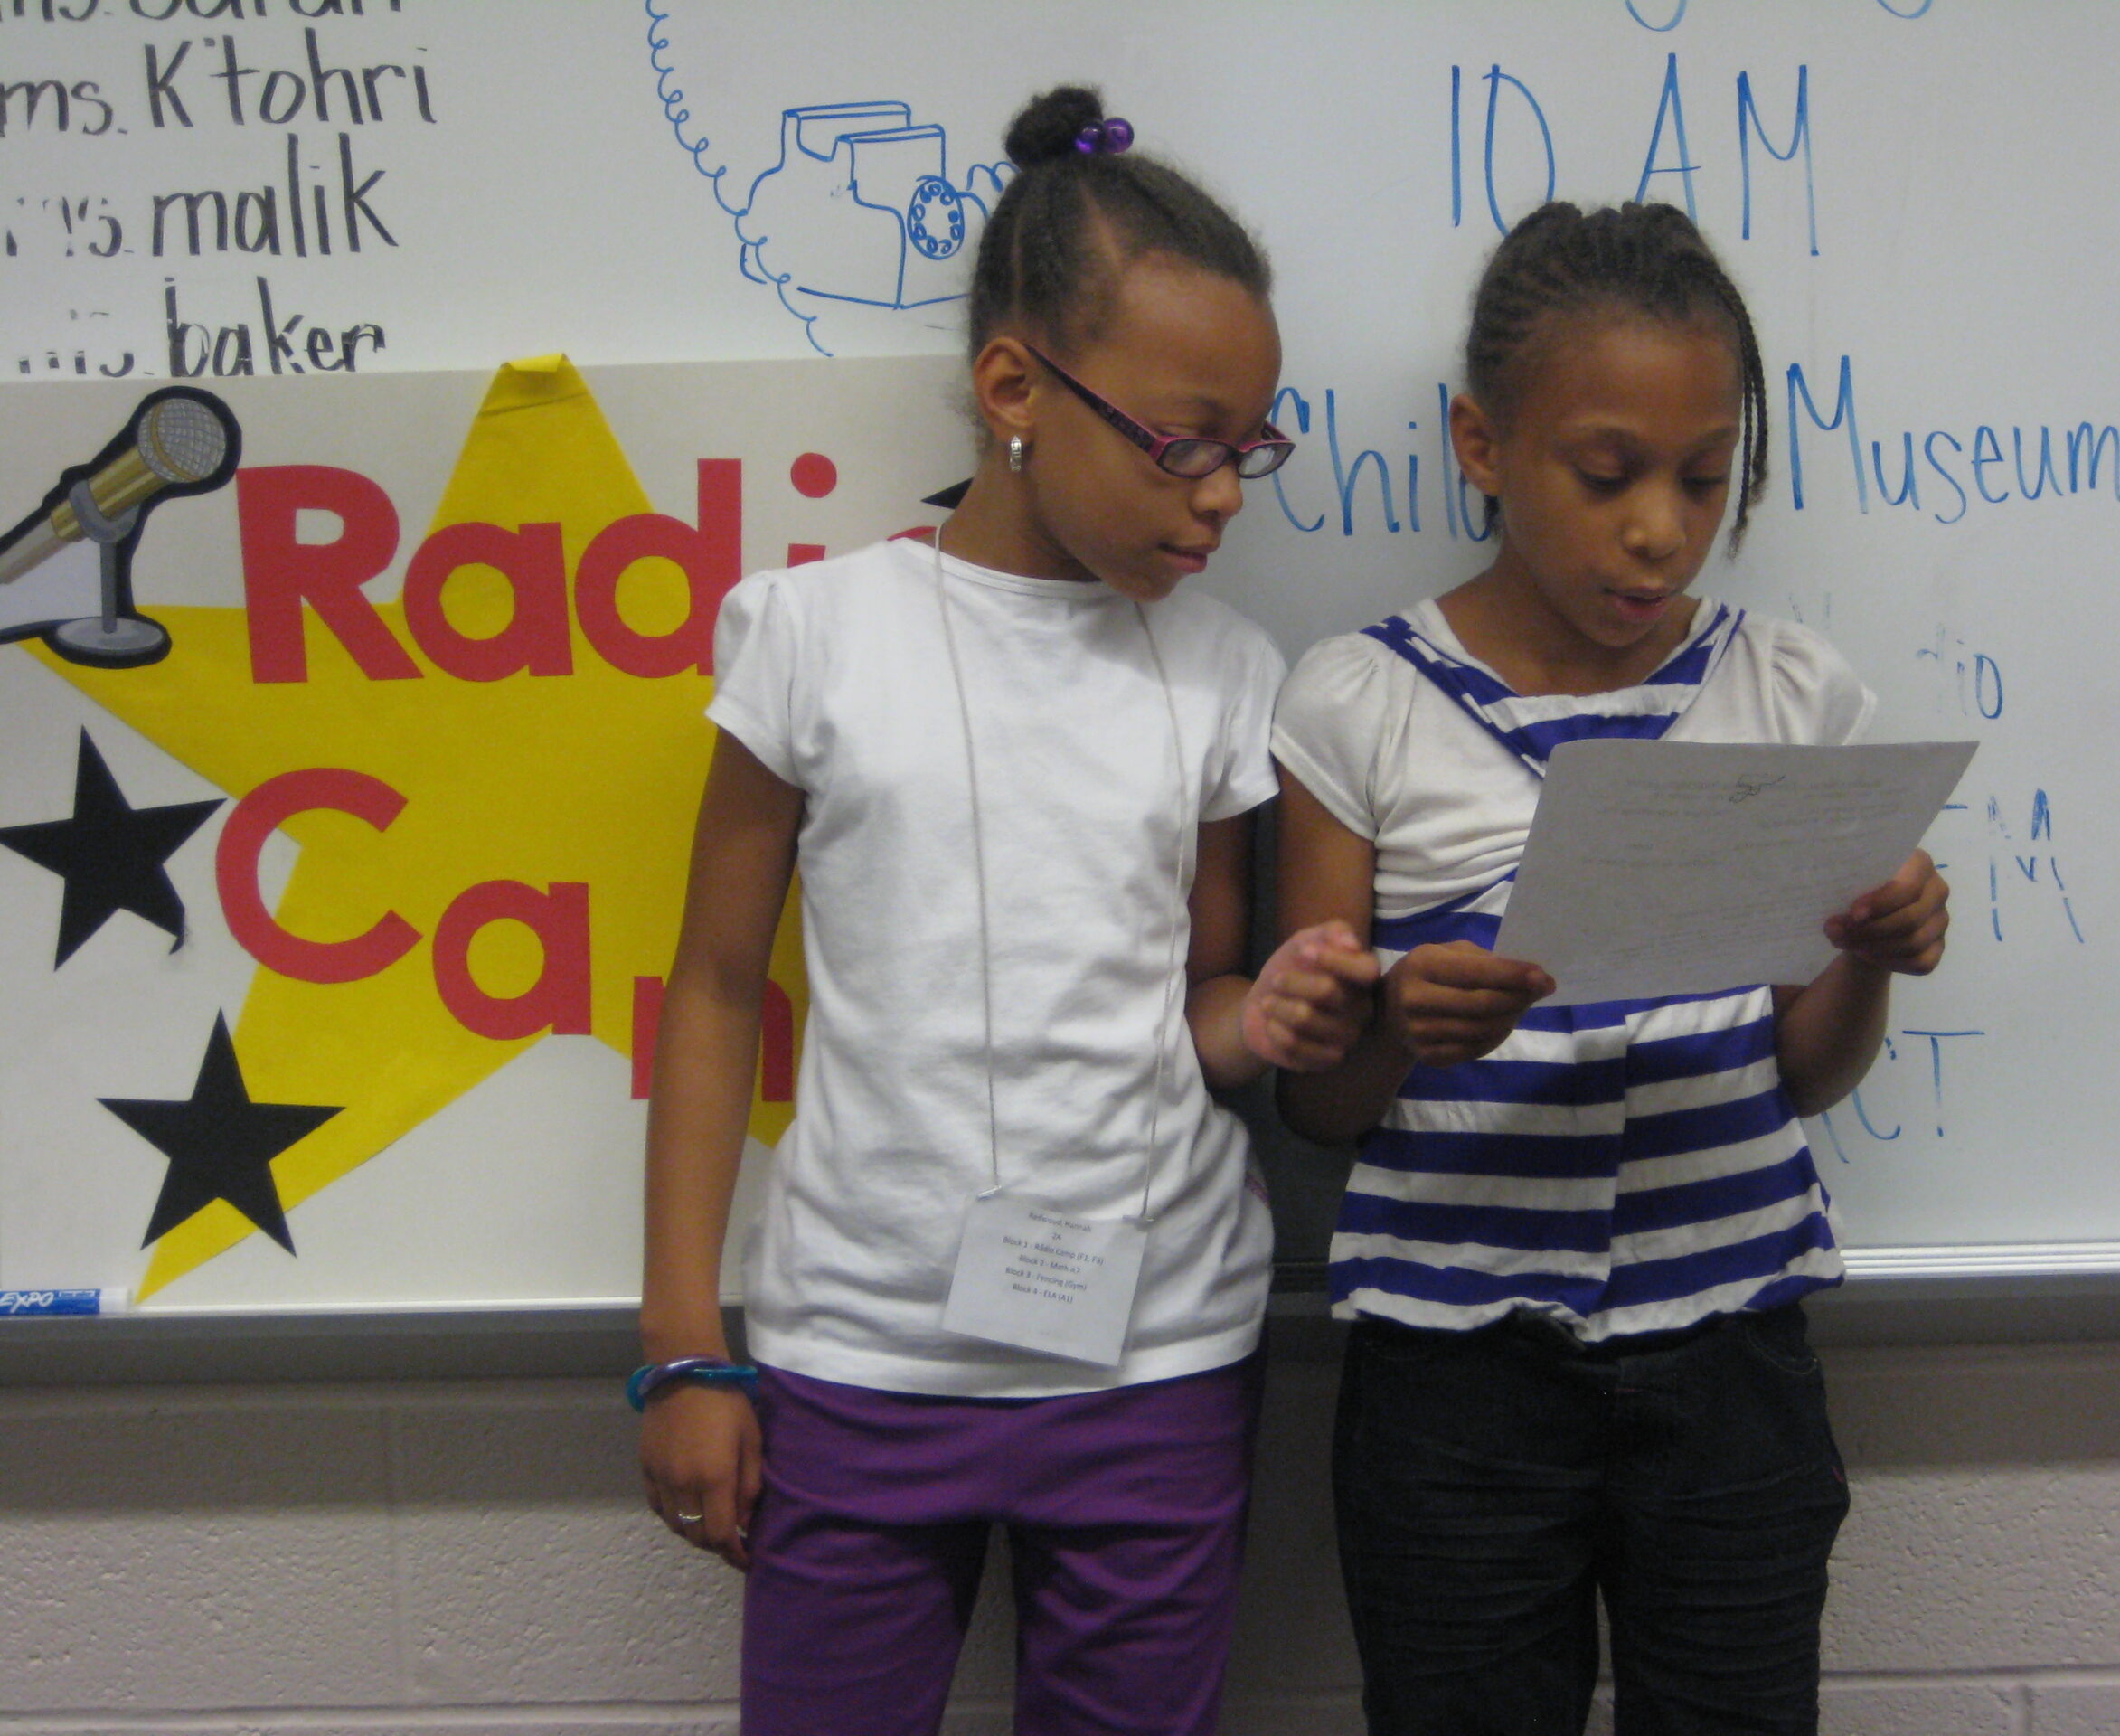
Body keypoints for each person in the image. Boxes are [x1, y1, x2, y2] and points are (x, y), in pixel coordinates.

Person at [635, 85, 1374, 1736]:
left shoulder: (1225, 673)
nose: (1222, 497)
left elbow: (1202, 997)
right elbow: (708, 987)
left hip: (1158, 1356)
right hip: (858, 1360)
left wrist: (1263, 1019)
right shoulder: (813, 636)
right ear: (1014, 387)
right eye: (1184, 443)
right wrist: (687, 1344)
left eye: (1247, 449)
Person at [1271, 200, 1952, 1736]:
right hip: (1458, 1376)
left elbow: (1806, 1071)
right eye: (1608, 473)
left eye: (1706, 478)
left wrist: (1874, 958)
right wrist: (1395, 1022)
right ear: (1483, 443)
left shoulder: (1786, 691)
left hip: (1731, 1359)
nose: (1660, 525)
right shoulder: (1359, 704)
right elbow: (1318, 1108)